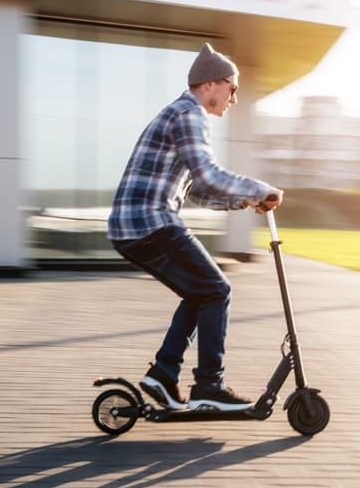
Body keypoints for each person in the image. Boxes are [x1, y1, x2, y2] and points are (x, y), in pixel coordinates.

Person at [108, 43, 282, 412]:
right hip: (150, 223)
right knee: (217, 290)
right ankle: (209, 387)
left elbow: (199, 191)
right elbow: (209, 173)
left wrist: (243, 201)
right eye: (232, 88)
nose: (234, 98)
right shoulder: (189, 114)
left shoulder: (179, 113)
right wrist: (260, 188)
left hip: (134, 228)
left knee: (202, 292)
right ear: (210, 84)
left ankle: (164, 374)